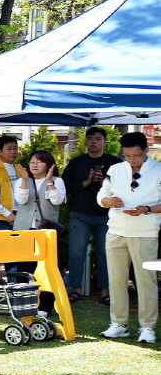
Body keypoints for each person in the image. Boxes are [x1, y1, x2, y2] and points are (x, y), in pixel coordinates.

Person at [97, 132, 161, 344]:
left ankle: (147, 327)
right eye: (127, 156)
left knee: (146, 281)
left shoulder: (159, 170)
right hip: (115, 230)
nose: (131, 160)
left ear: (145, 151)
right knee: (115, 279)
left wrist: (148, 209)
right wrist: (109, 201)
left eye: (135, 155)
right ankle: (118, 323)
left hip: (145, 232)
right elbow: (101, 196)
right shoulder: (115, 169)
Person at [61, 126, 120, 303]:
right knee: (76, 252)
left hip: (106, 215)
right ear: (85, 141)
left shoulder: (115, 163)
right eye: (90, 139)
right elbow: (65, 188)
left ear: (104, 142)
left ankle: (106, 292)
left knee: (105, 253)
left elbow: (124, 189)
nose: (93, 142)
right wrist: (86, 182)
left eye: (97, 138)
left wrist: (106, 183)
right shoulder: (76, 163)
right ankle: (75, 289)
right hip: (79, 214)